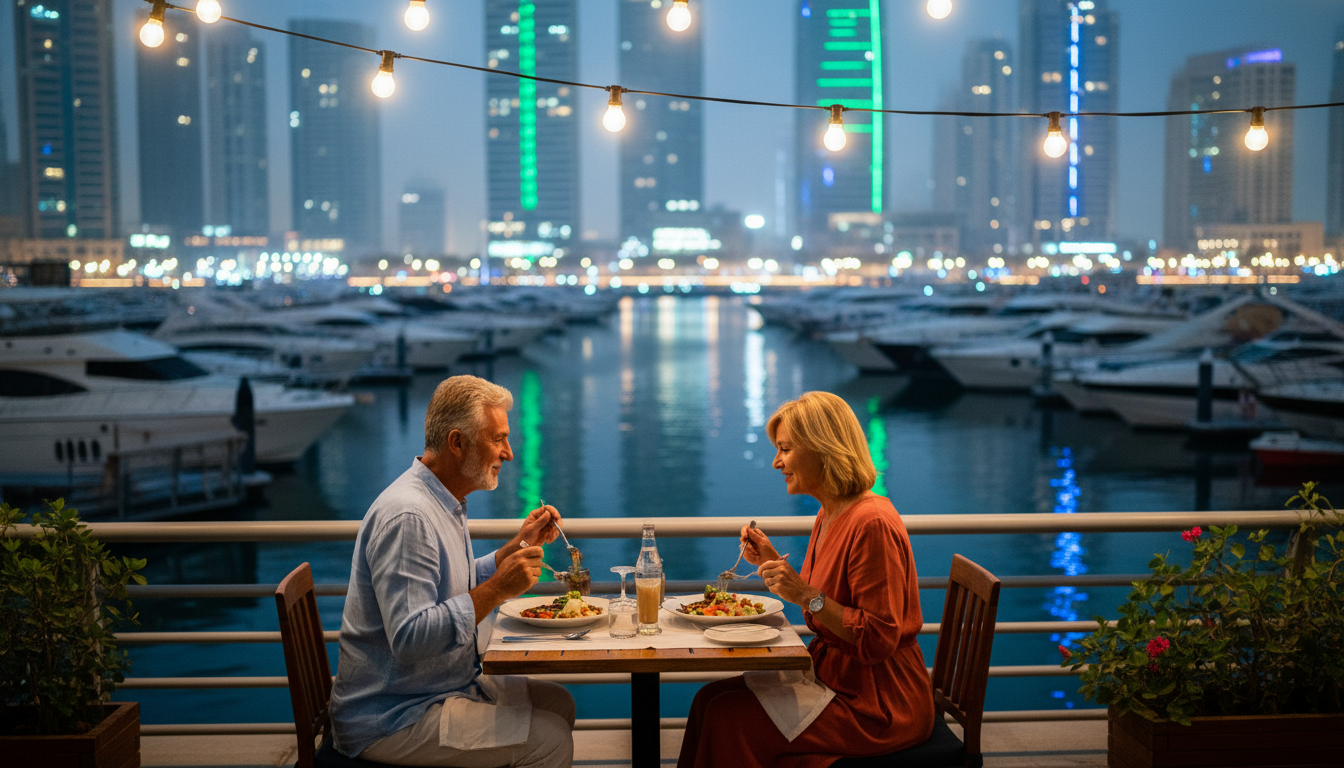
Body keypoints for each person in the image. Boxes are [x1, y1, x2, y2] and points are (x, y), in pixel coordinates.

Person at [676, 391, 934, 768]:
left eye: (785, 449)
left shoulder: (871, 523)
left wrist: (802, 593)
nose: (776, 461)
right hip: (835, 679)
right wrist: (771, 561)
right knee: (707, 701)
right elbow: (825, 599)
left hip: (878, 704)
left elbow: (878, 638)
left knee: (729, 718)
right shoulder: (829, 513)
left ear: (822, 448)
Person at [330, 375, 576, 767]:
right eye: (497, 439)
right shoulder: (409, 516)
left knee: (558, 703)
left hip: (435, 690)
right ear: (457, 442)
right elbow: (410, 638)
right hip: (393, 717)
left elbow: (448, 586)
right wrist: (497, 590)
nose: (508, 453)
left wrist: (514, 550)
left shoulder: (444, 499)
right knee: (551, 741)